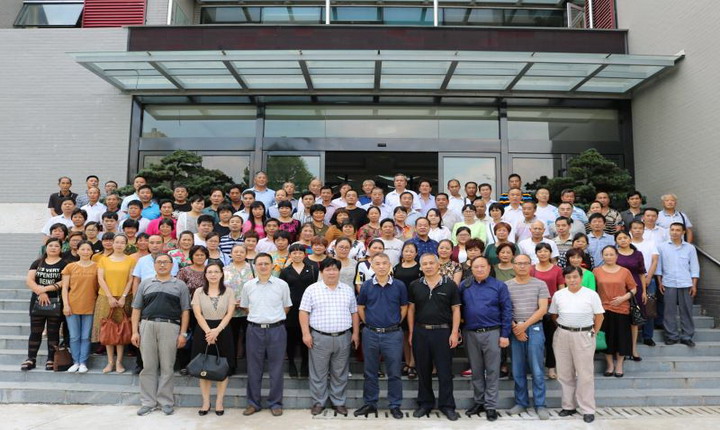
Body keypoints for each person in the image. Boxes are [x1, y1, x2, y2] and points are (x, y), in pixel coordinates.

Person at [131, 253, 190, 416]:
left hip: (170, 327)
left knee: (167, 366)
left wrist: (183, 334)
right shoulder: (145, 283)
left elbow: (185, 311)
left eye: (165, 262)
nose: (162, 265)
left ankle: (166, 402)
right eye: (159, 262)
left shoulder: (180, 285)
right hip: (147, 325)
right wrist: (135, 331)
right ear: (154, 265)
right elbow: (136, 309)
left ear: (172, 265)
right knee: (148, 366)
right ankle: (148, 402)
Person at [299, 259, 360, 416]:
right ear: (321, 272)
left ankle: (338, 402)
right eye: (328, 269)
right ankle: (318, 402)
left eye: (334, 269)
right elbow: (303, 312)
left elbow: (354, 312)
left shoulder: (347, 290)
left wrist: (355, 333)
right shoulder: (312, 289)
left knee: (340, 372)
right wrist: (306, 333)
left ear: (339, 271)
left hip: (343, 337)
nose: (331, 272)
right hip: (319, 338)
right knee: (318, 373)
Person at [408, 253, 461, 421]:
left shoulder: (450, 284)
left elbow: (456, 310)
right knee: (423, 370)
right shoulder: (415, 285)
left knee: (445, 371)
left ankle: (447, 406)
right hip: (421, 332)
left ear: (438, 265)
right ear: (420, 267)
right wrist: (411, 332)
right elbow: (411, 310)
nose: (428, 266)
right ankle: (425, 403)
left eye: (431, 263)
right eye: (425, 264)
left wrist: (454, 332)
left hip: (443, 332)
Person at [355, 253, 408, 419]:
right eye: (377, 263)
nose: (381, 266)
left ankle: (395, 405)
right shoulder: (366, 286)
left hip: (393, 334)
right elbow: (361, 307)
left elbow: (404, 307)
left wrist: (395, 323)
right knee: (370, 371)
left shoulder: (399, 285)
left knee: (394, 372)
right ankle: (370, 403)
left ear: (390, 265)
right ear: (372, 266)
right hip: (370, 333)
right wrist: (369, 323)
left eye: (385, 263)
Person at [549, 266, 604, 423]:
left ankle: (587, 409)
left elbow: (599, 316)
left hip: (584, 334)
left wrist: (594, 332)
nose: (572, 280)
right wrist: (564, 327)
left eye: (575, 277)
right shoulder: (559, 295)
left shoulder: (591, 294)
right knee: (564, 373)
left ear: (580, 277)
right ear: (564, 279)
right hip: (562, 334)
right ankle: (568, 406)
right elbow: (554, 315)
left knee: (585, 374)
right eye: (568, 277)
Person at [460, 256, 512, 422]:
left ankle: (491, 406)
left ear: (489, 268)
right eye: (476, 267)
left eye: (483, 266)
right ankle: (479, 402)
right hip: (471, 333)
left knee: (492, 371)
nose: (480, 269)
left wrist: (505, 334)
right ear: (471, 269)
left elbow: (507, 310)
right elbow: (458, 308)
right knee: (476, 371)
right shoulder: (464, 285)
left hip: (492, 332)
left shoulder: (499, 286)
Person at [240, 253, 292, 416]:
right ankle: (253, 403)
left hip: (276, 330)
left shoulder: (282, 285)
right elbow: (245, 307)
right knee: (253, 368)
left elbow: (286, 306)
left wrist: (272, 319)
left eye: (266, 263)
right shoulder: (248, 286)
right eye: (260, 264)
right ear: (255, 266)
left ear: (272, 265)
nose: (263, 266)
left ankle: (275, 403)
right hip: (254, 330)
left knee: (276, 368)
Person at [505, 253, 550, 419]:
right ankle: (521, 402)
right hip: (514, 329)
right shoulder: (506, 286)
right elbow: (505, 309)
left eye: (525, 263)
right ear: (513, 266)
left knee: (537, 369)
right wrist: (516, 327)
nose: (522, 266)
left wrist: (524, 326)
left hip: (534, 328)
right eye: (518, 263)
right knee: (517, 369)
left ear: (531, 265)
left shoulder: (540, 284)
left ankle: (540, 404)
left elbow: (543, 309)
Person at [192, 263, 235, 416]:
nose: (213, 274)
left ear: (222, 274)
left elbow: (230, 313)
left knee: (222, 367)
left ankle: (219, 402)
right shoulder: (198, 291)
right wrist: (209, 332)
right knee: (204, 367)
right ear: (205, 274)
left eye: (216, 271)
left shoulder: (229, 291)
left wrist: (217, 331)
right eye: (209, 272)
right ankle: (205, 402)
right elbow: (197, 314)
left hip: (223, 331)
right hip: (203, 331)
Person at [22, 238, 68, 371]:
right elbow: (29, 280)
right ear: (46, 248)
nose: (53, 248)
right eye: (50, 245)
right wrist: (40, 292)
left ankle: (51, 359)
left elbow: (63, 282)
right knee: (35, 331)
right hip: (37, 301)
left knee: (53, 332)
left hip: (56, 302)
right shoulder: (37, 262)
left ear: (61, 248)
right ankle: (31, 359)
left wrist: (45, 289)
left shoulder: (64, 264)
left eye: (56, 246)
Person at [95, 234, 136, 374]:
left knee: (121, 329)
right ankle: (110, 362)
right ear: (112, 244)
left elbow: (130, 280)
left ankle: (119, 362)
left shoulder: (130, 260)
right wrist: (109, 296)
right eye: (117, 242)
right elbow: (100, 279)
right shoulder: (104, 260)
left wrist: (123, 296)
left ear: (126, 245)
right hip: (106, 297)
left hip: (124, 298)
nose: (119, 245)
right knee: (109, 329)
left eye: (122, 242)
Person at [594, 246, 636, 378]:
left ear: (617, 256)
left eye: (611, 254)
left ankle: (619, 365)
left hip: (622, 309)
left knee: (621, 338)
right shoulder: (596, 271)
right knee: (606, 338)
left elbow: (633, 288)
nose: (609, 257)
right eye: (606, 254)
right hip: (603, 310)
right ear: (602, 256)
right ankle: (609, 365)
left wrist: (623, 298)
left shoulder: (625, 271)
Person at [658, 223, 700, 346]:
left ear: (683, 232)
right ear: (669, 231)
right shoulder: (662, 247)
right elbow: (659, 267)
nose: (675, 232)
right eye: (672, 230)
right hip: (668, 282)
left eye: (678, 230)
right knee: (669, 311)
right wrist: (660, 282)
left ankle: (687, 336)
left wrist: (694, 285)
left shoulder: (690, 248)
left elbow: (694, 267)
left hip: (686, 283)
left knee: (686, 311)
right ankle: (671, 336)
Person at [280, 243, 317, 378]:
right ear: (290, 255)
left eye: (300, 252)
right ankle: (291, 364)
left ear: (304, 254)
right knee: (291, 337)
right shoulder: (285, 271)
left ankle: (305, 365)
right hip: (291, 309)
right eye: (294, 253)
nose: (297, 255)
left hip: (309, 308)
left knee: (306, 337)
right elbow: (282, 291)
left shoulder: (312, 269)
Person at [530, 242, 565, 380]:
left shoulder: (557, 270)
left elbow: (561, 289)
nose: (543, 253)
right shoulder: (531, 269)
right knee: (536, 341)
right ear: (536, 254)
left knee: (551, 340)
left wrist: (560, 308)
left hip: (552, 310)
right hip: (535, 309)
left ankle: (551, 367)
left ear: (550, 253)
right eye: (540, 251)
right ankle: (535, 368)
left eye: (546, 251)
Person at [615, 230, 647, 361]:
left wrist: (644, 291)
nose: (623, 240)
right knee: (621, 320)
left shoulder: (638, 254)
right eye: (619, 238)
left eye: (625, 237)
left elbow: (641, 273)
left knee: (634, 320)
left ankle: (633, 349)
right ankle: (621, 349)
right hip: (619, 289)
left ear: (630, 239)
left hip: (635, 289)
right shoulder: (614, 253)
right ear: (616, 241)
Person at [629, 220, 659, 346]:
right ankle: (629, 337)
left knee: (648, 307)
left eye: (640, 228)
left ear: (643, 230)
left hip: (648, 279)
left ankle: (648, 336)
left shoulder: (650, 243)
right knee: (629, 307)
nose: (637, 230)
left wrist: (649, 277)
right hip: (629, 280)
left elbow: (655, 261)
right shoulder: (627, 243)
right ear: (630, 230)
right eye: (635, 228)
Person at [223, 244, 255, 362]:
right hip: (231, 311)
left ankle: (251, 365)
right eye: (236, 252)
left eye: (242, 252)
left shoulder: (253, 269)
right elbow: (221, 289)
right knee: (232, 339)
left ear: (246, 254)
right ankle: (231, 365)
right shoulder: (224, 270)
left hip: (250, 311)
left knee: (251, 339)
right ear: (231, 254)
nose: (238, 254)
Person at [394, 242, 421, 378]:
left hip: (416, 303)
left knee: (414, 334)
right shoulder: (396, 267)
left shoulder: (420, 268)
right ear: (402, 252)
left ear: (416, 253)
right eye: (406, 251)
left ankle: (413, 364)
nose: (408, 253)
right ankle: (407, 361)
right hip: (401, 304)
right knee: (405, 334)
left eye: (411, 251)